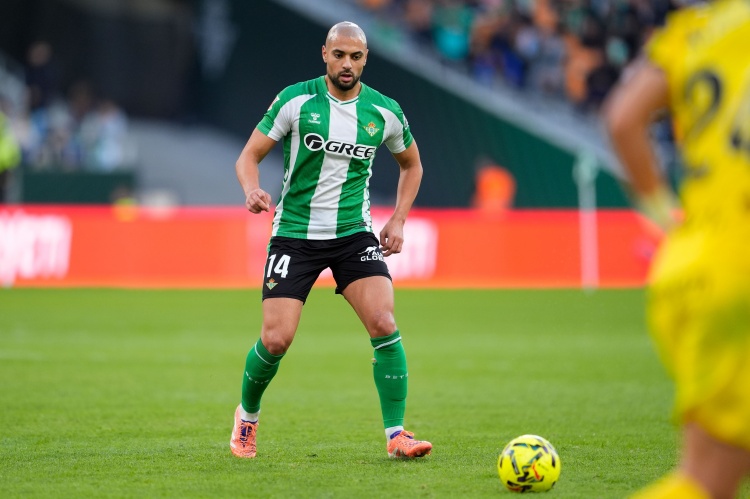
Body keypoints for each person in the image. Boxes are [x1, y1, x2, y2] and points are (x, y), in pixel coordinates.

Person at [230, 21, 431, 460]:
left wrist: (398, 219)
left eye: (355, 57)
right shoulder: (295, 100)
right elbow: (249, 156)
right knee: (276, 340)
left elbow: (412, 165)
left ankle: (397, 434)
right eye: (339, 54)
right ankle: (247, 417)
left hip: (353, 234)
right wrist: (251, 189)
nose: (346, 64)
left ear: (365, 59)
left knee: (384, 322)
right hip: (295, 234)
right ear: (325, 53)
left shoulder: (384, 112)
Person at [603, 1, 750, 497]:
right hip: (742, 262)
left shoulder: (692, 32)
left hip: (693, 259)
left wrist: (665, 217)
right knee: (709, 481)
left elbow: (623, 119)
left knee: (708, 476)